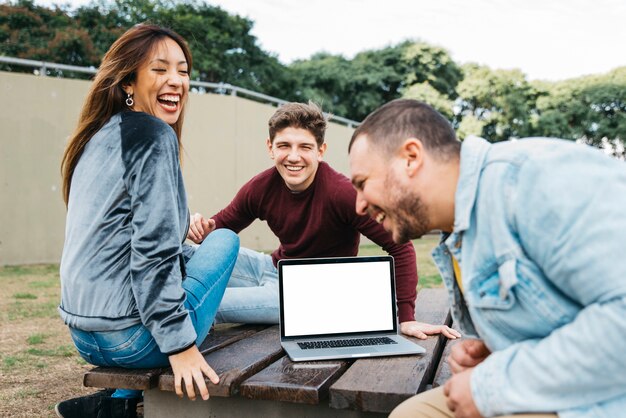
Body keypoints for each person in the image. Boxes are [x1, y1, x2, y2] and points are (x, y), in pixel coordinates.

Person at [347, 98, 626, 418]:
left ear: (411, 157)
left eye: (362, 183)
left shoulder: (534, 180)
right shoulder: (459, 228)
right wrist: (496, 351)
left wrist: (491, 384)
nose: (358, 205)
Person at [55, 24, 240, 418]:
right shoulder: (153, 135)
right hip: (136, 341)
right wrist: (181, 346)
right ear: (127, 83)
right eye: (159, 69)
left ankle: (119, 405)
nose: (176, 80)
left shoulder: (94, 138)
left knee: (195, 255)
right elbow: (153, 255)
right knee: (223, 242)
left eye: (183, 70)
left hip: (84, 336)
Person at [187, 102, 459, 339]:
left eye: (305, 147)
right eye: (284, 146)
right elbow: (219, 229)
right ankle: (152, 298)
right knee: (186, 254)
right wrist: (199, 226)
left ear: (320, 150)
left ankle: (162, 333)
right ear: (271, 148)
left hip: (310, 295)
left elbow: (400, 246)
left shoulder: (341, 193)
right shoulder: (261, 187)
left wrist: (406, 316)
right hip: (271, 269)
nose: (294, 156)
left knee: (203, 303)